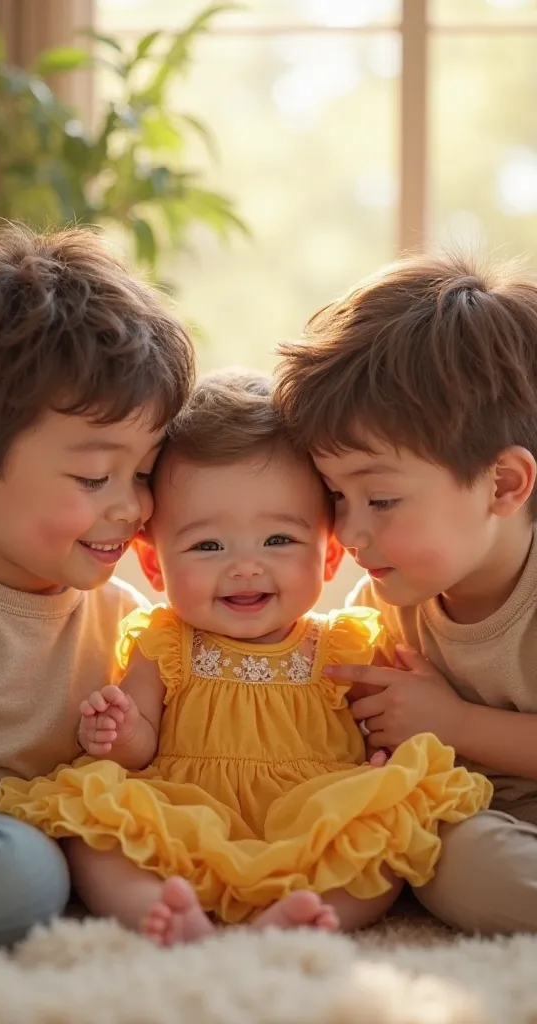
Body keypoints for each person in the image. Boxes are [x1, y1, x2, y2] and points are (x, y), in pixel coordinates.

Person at [0, 371, 491, 947]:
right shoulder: (166, 642)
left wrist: (385, 763)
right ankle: (160, 912)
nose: (246, 566)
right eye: (208, 546)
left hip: (312, 811)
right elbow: (140, 745)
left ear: (329, 557)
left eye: (279, 540)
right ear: (155, 568)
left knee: (385, 830)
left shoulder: (344, 644)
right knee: (95, 830)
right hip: (186, 809)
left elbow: (382, 725)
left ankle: (302, 915)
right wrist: (118, 728)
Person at [0, 223, 194, 949]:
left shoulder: (132, 625)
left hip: (58, 825)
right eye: (93, 477)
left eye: (144, 473)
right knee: (21, 874)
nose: (132, 506)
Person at [274, 253, 537, 935]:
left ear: (504, 486)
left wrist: (455, 725)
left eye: (381, 497)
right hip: (487, 826)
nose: (350, 531)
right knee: (441, 857)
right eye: (335, 495)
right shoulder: (383, 608)